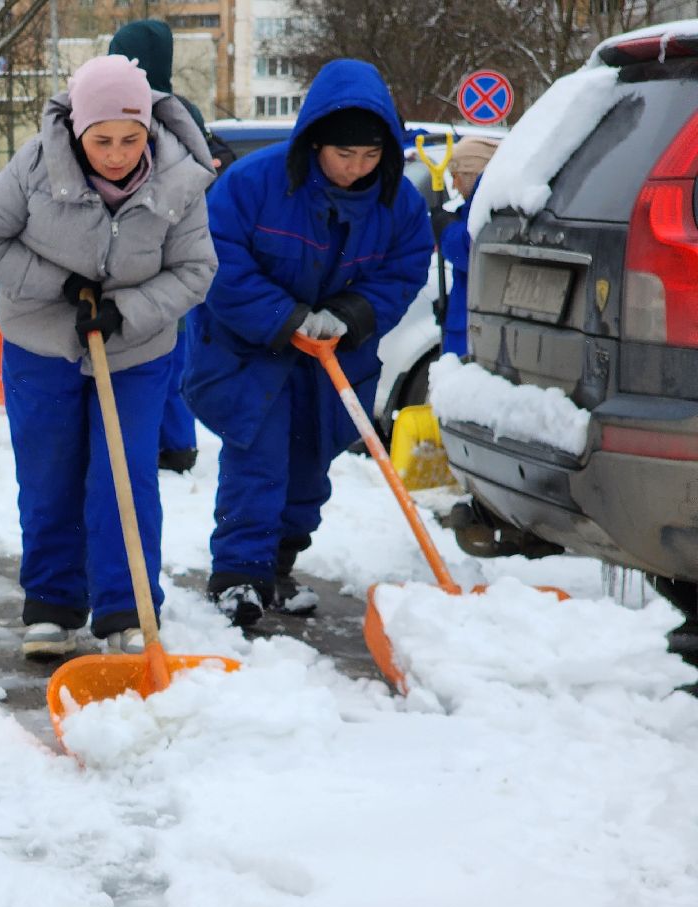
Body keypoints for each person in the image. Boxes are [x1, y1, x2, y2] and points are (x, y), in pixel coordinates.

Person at [0, 54, 217, 659]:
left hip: (136, 352)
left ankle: (128, 607)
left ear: (149, 129)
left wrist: (128, 310)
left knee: (124, 476)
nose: (117, 154)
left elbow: (196, 270)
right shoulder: (36, 167)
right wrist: (62, 285)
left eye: (131, 139)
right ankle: (52, 604)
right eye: (102, 140)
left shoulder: (178, 180)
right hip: (41, 346)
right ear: (77, 131)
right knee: (50, 475)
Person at [183, 59, 431, 628]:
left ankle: (277, 567)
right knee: (258, 459)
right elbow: (217, 258)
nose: (356, 168)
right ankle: (238, 575)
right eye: (344, 154)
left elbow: (404, 269)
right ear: (316, 141)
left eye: (370, 155)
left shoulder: (398, 202)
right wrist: (286, 316)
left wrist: (351, 314)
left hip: (334, 356)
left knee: (309, 465)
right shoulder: (254, 182)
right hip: (251, 351)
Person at [108, 18, 219, 474]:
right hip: (176, 246)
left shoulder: (141, 110)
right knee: (170, 350)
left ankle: (160, 442)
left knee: (153, 352)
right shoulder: (183, 111)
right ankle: (175, 441)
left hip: (150, 241)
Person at [440, 135, 499, 357]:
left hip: (471, 326)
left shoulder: (488, 208)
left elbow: (469, 252)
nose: (453, 185)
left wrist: (445, 230)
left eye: (455, 176)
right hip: (468, 319)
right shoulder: (476, 207)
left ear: (471, 174)